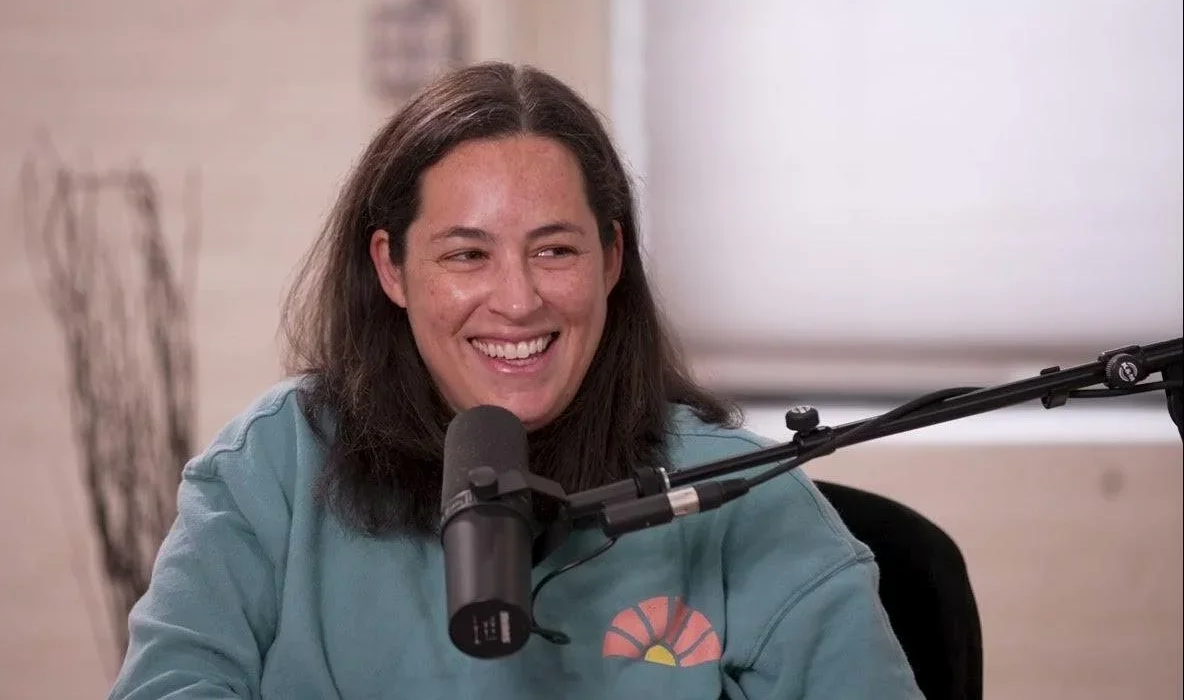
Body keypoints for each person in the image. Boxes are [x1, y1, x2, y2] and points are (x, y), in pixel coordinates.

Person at [108, 61, 923, 699]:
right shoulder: (268, 472)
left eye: (554, 250)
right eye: (467, 255)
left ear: (610, 260)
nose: (517, 300)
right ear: (392, 266)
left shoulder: (745, 497)